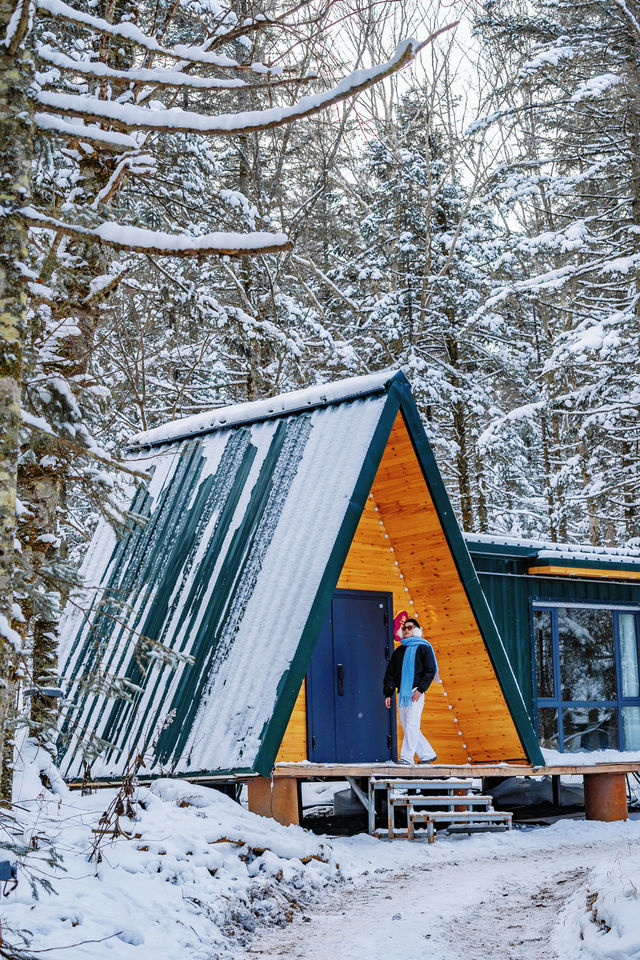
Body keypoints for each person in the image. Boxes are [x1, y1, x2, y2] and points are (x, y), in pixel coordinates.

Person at [383, 617, 438, 765]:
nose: (406, 630)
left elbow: (430, 670)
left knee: (412, 724)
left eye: (410, 627)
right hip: (402, 694)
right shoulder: (399, 651)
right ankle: (427, 754)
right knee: (408, 726)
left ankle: (407, 758)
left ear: (416, 630)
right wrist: (388, 693)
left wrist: (421, 689)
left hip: (416, 692)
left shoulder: (423, 647)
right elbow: (391, 674)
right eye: (405, 628)